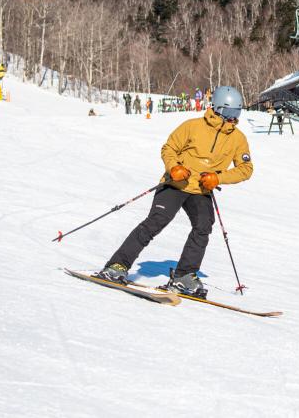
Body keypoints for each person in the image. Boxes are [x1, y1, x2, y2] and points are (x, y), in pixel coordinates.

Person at [96, 86, 254, 298]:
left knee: (203, 227)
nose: (233, 120)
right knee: (156, 222)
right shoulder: (192, 126)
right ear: (217, 109)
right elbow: (169, 148)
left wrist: (218, 178)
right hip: (176, 184)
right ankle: (116, 266)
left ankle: (184, 276)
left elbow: (246, 169)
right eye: (229, 114)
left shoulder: (238, 138)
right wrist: (174, 168)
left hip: (201, 190)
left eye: (237, 114)